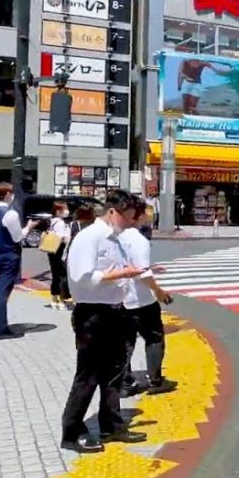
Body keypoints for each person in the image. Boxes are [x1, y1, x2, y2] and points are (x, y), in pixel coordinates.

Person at [61, 189, 148, 453]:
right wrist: (118, 274)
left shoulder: (116, 239)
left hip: (114, 311)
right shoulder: (90, 237)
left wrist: (124, 275)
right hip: (92, 313)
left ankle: (111, 423)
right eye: (128, 217)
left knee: (114, 372)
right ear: (112, 212)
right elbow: (80, 277)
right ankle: (72, 431)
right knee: (88, 375)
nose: (131, 223)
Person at [119, 201, 174, 396]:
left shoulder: (116, 236)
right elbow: (142, 274)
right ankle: (155, 380)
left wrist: (150, 268)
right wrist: (158, 291)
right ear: (139, 215)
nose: (149, 217)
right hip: (141, 300)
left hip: (120, 298)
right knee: (154, 338)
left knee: (125, 342)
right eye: (147, 213)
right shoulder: (138, 240)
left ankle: (125, 384)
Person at [0, 184, 37, 339]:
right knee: (3, 291)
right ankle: (0, 329)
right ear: (7, 194)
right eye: (12, 193)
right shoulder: (10, 214)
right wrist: (28, 226)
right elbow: (18, 237)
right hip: (10, 254)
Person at [47, 202, 72, 310]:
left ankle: (54, 299)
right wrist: (68, 238)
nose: (67, 211)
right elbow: (61, 237)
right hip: (60, 250)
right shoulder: (60, 223)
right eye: (65, 209)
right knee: (62, 275)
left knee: (55, 275)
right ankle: (61, 301)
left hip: (52, 250)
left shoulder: (51, 221)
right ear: (58, 211)